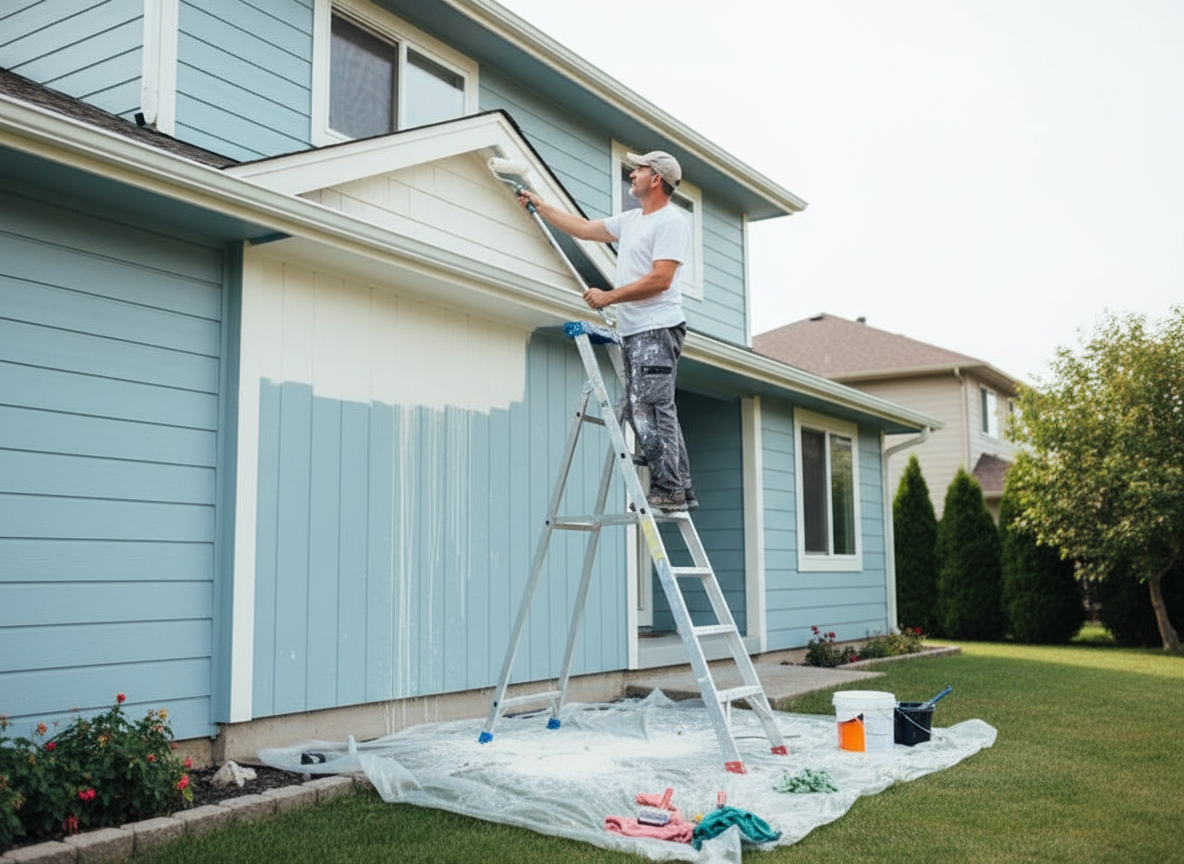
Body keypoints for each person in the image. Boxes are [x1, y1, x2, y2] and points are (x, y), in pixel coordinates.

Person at [517, 151, 695, 511]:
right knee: (648, 406)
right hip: (636, 331)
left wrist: (609, 296)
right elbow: (584, 229)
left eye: (639, 169)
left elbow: (661, 279)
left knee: (650, 409)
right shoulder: (632, 221)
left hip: (657, 329)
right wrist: (540, 206)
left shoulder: (671, 222)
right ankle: (679, 488)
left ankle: (670, 490)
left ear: (656, 178)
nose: (632, 174)